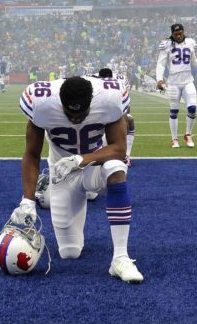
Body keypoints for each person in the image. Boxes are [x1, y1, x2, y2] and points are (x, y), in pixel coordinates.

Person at [14, 76, 143, 283]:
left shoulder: (109, 99)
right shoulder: (42, 103)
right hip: (62, 175)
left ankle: (121, 258)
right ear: (60, 102)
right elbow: (31, 154)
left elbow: (119, 150)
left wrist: (81, 160)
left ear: (91, 101)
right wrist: (27, 201)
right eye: (69, 114)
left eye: (81, 114)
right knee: (70, 253)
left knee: (116, 167)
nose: (75, 119)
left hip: (95, 167)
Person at [156, 23, 197, 148]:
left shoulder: (191, 42)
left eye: (181, 33)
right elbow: (161, 64)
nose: (179, 36)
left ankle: (188, 134)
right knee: (174, 111)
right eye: (176, 34)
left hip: (187, 81)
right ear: (172, 34)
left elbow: (194, 62)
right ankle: (174, 139)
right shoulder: (166, 45)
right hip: (173, 83)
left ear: (183, 31)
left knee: (192, 108)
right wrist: (159, 79)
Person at [99, 67, 135, 166]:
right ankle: (125, 156)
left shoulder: (95, 84)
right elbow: (127, 108)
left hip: (98, 116)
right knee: (129, 120)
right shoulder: (119, 85)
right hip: (111, 116)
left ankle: (102, 151)